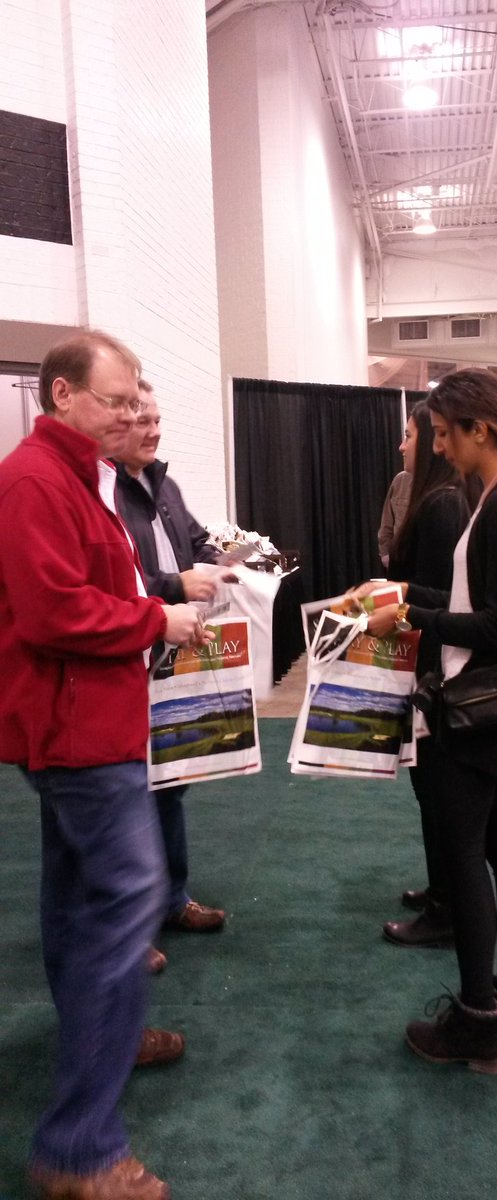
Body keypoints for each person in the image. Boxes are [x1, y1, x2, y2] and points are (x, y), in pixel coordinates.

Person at [0, 331, 210, 1200]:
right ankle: (80, 1147)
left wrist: (146, 609)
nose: (133, 413)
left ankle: (107, 1049)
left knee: (79, 896)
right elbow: (55, 613)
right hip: (78, 732)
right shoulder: (34, 482)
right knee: (127, 904)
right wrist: (154, 622)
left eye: (136, 402)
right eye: (119, 399)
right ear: (61, 397)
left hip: (91, 724)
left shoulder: (76, 478)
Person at [362, 368, 497, 1075]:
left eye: (446, 433)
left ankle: (478, 1020)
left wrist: (410, 615)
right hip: (494, 715)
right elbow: (470, 592)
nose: (437, 446)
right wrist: (393, 592)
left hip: (474, 715)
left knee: (470, 857)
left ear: (479, 429)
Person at [115, 380, 226, 946]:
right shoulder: (107, 492)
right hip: (129, 655)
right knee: (131, 791)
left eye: (157, 419)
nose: (154, 430)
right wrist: (174, 585)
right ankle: (133, 927)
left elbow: (198, 541)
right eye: (142, 420)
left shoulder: (164, 484)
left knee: (171, 778)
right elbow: (124, 583)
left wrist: (226, 565)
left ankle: (171, 898)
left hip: (173, 649)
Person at [380, 401, 470, 947]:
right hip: (428, 668)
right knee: (427, 787)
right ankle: (443, 889)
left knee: (436, 790)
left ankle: (447, 907)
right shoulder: (431, 500)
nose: (408, 445)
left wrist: (400, 598)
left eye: (414, 435)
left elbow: (448, 601)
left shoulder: (442, 506)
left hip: (437, 676)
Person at [377, 469, 412, 569]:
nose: (401, 451)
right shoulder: (400, 480)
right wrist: (385, 555)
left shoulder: (441, 482)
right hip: (400, 562)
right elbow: (387, 521)